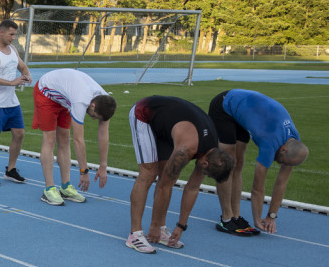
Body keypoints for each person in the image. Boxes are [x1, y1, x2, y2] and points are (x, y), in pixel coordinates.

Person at [126, 95, 234, 253]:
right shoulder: (185, 150)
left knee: (166, 175)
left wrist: (181, 225)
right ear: (205, 163)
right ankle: (134, 234)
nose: (203, 174)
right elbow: (164, 187)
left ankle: (160, 228)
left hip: (169, 124)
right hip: (144, 114)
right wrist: (154, 225)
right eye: (205, 172)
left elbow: (192, 188)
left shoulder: (213, 153)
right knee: (149, 173)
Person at [208, 89, 308, 235]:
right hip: (224, 105)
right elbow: (257, 189)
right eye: (280, 161)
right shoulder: (270, 142)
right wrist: (257, 219)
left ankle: (236, 215)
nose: (279, 163)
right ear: (283, 150)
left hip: (244, 110)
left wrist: (271, 216)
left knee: (238, 164)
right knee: (227, 163)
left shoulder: (294, 143)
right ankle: (227, 219)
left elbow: (281, 183)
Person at [32, 68, 116, 206]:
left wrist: (103, 165)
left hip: (65, 95)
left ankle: (65, 187)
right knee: (50, 138)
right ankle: (49, 189)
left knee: (64, 138)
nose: (93, 119)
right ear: (93, 105)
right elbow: (78, 140)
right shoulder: (80, 102)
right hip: (46, 92)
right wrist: (84, 171)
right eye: (94, 116)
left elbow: (103, 136)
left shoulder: (106, 101)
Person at [0, 19, 32, 186]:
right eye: (11, 34)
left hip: (11, 102)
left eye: (15, 35)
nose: (13, 38)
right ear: (1, 32)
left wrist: (27, 74)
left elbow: (22, 66)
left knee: (19, 133)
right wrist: (11, 83)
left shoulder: (13, 49)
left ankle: (11, 169)